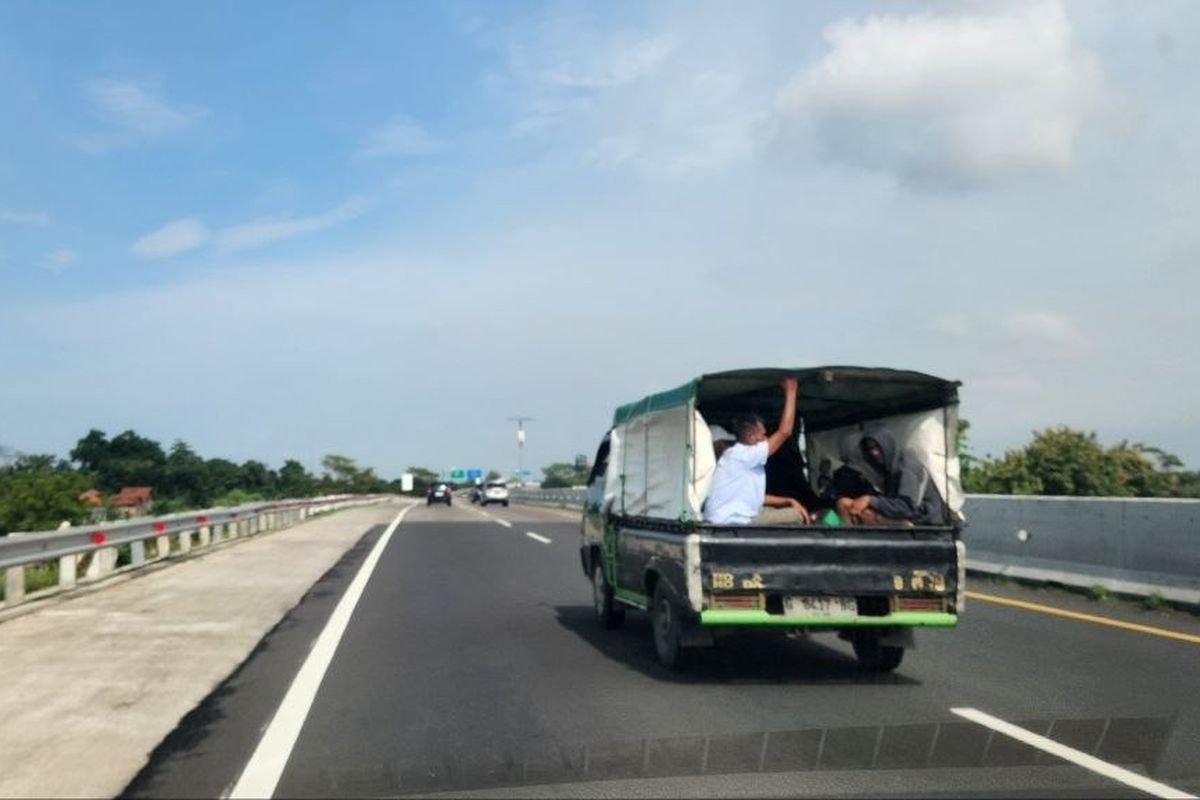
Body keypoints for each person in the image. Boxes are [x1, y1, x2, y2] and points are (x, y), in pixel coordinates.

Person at [703, 377, 811, 525]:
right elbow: (785, 432)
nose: (765, 438)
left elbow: (755, 497)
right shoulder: (743, 455)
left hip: (727, 517)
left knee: (779, 510)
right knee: (797, 515)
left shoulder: (735, 457)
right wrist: (791, 390)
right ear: (750, 436)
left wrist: (788, 500)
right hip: (732, 521)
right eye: (762, 434)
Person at [841, 430, 946, 526]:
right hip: (904, 518)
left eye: (877, 447)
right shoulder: (886, 470)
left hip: (923, 525)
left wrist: (870, 500)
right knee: (844, 503)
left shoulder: (906, 468)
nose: (874, 452)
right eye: (870, 449)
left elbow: (907, 507)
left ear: (886, 445)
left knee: (866, 513)